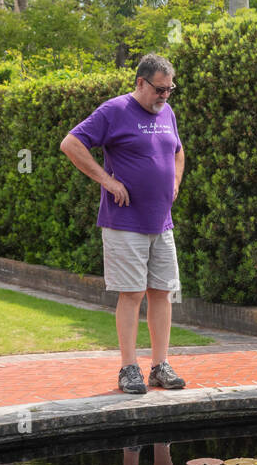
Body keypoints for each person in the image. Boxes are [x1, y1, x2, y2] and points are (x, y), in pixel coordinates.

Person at [60, 54, 187, 395]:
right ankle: (128, 368)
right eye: (159, 89)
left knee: (162, 293)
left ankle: (160, 366)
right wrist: (108, 182)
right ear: (140, 83)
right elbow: (71, 144)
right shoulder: (114, 111)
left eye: (170, 90)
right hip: (125, 222)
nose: (165, 96)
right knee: (131, 294)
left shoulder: (167, 113)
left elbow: (177, 151)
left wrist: (175, 180)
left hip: (161, 223)